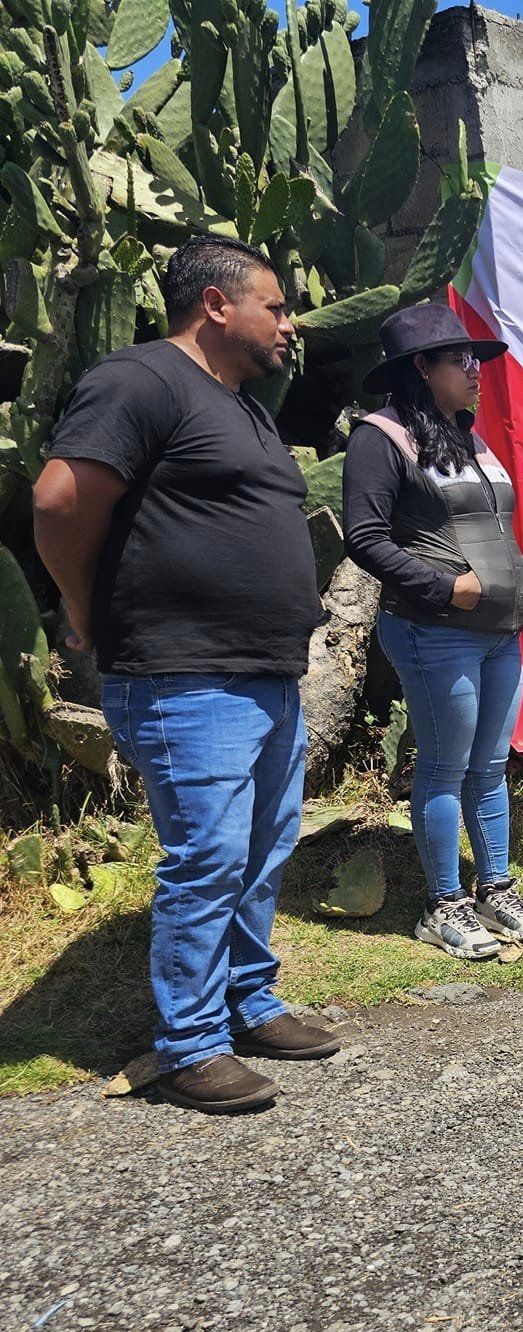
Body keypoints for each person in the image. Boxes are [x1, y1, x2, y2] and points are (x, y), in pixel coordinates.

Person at [32, 235, 338, 1113]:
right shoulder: (142, 381)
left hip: (264, 672)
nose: (288, 322)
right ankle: (191, 1041)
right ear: (215, 304)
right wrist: (85, 610)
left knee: (262, 848)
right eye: (274, 306)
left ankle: (250, 1000)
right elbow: (59, 500)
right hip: (184, 674)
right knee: (207, 858)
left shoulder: (242, 404)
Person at [345, 303, 523, 958]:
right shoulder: (379, 437)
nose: (475, 370)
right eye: (459, 360)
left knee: (490, 767)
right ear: (420, 367)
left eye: (476, 360)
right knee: (443, 766)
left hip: (498, 631)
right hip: (434, 630)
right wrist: (445, 587)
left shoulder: (469, 438)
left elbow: (489, 526)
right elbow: (365, 538)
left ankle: (495, 887)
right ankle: (443, 903)